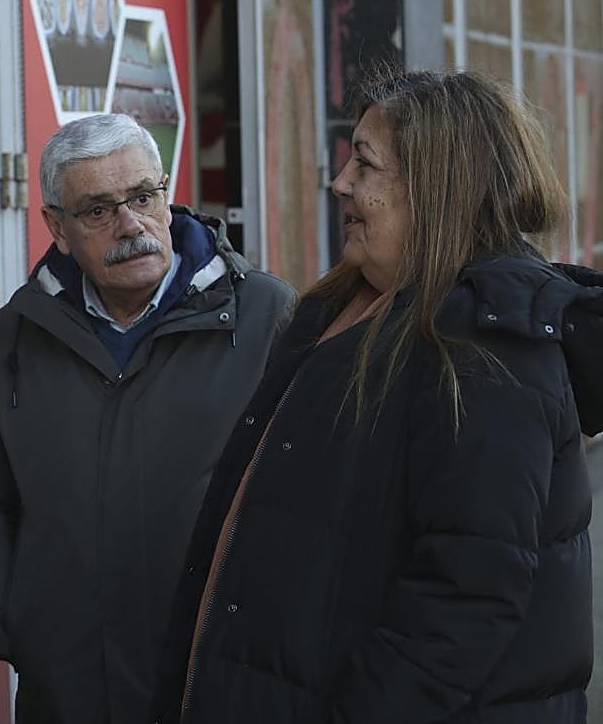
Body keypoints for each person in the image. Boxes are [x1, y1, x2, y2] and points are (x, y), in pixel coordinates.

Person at [153, 68, 602, 724]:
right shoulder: (343, 306)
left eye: (364, 164)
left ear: (438, 183)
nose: (340, 184)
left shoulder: (488, 342)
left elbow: (464, 601)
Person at [0, 113, 296, 723]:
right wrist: (12, 618)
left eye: (142, 197)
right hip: (69, 686)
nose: (130, 224)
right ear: (57, 226)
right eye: (99, 211)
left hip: (224, 681)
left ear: (166, 192)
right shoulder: (10, 341)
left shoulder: (268, 317)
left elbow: (317, 489)